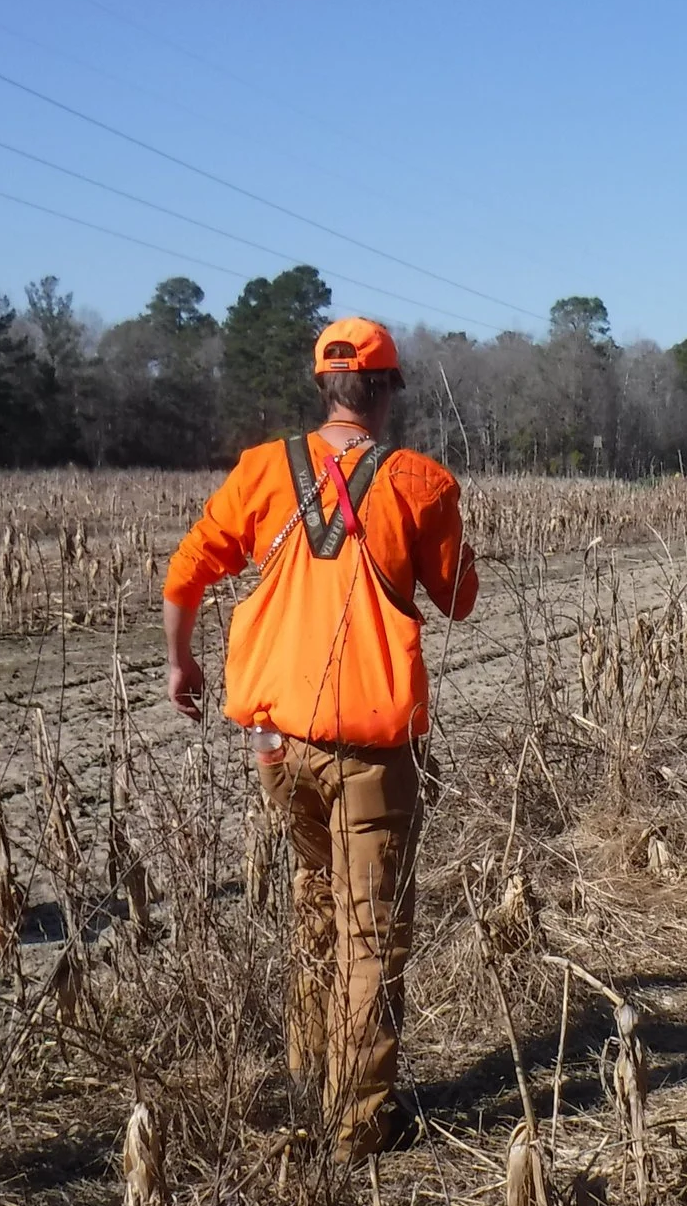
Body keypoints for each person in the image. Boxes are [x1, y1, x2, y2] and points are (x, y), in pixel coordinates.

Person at [162, 317, 478, 1160]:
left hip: (276, 743)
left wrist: (181, 663)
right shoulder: (418, 481)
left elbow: (185, 572)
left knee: (313, 896)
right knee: (370, 929)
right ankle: (358, 1121)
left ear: (324, 387)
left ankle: (310, 1074)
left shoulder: (263, 471)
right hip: (371, 750)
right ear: (386, 390)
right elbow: (459, 597)